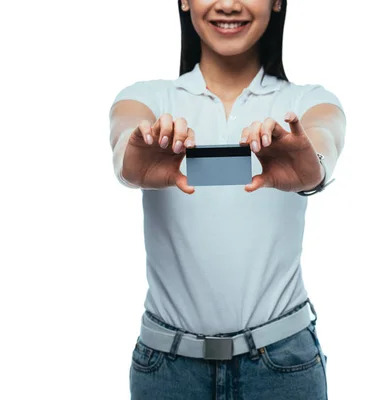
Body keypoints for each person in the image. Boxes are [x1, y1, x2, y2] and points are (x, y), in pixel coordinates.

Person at [108, 0, 346, 399]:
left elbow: (325, 138)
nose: (229, 4)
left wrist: (313, 167)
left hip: (283, 366)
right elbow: (123, 142)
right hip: (167, 370)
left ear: (278, 2)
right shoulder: (146, 99)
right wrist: (133, 159)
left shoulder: (309, 103)